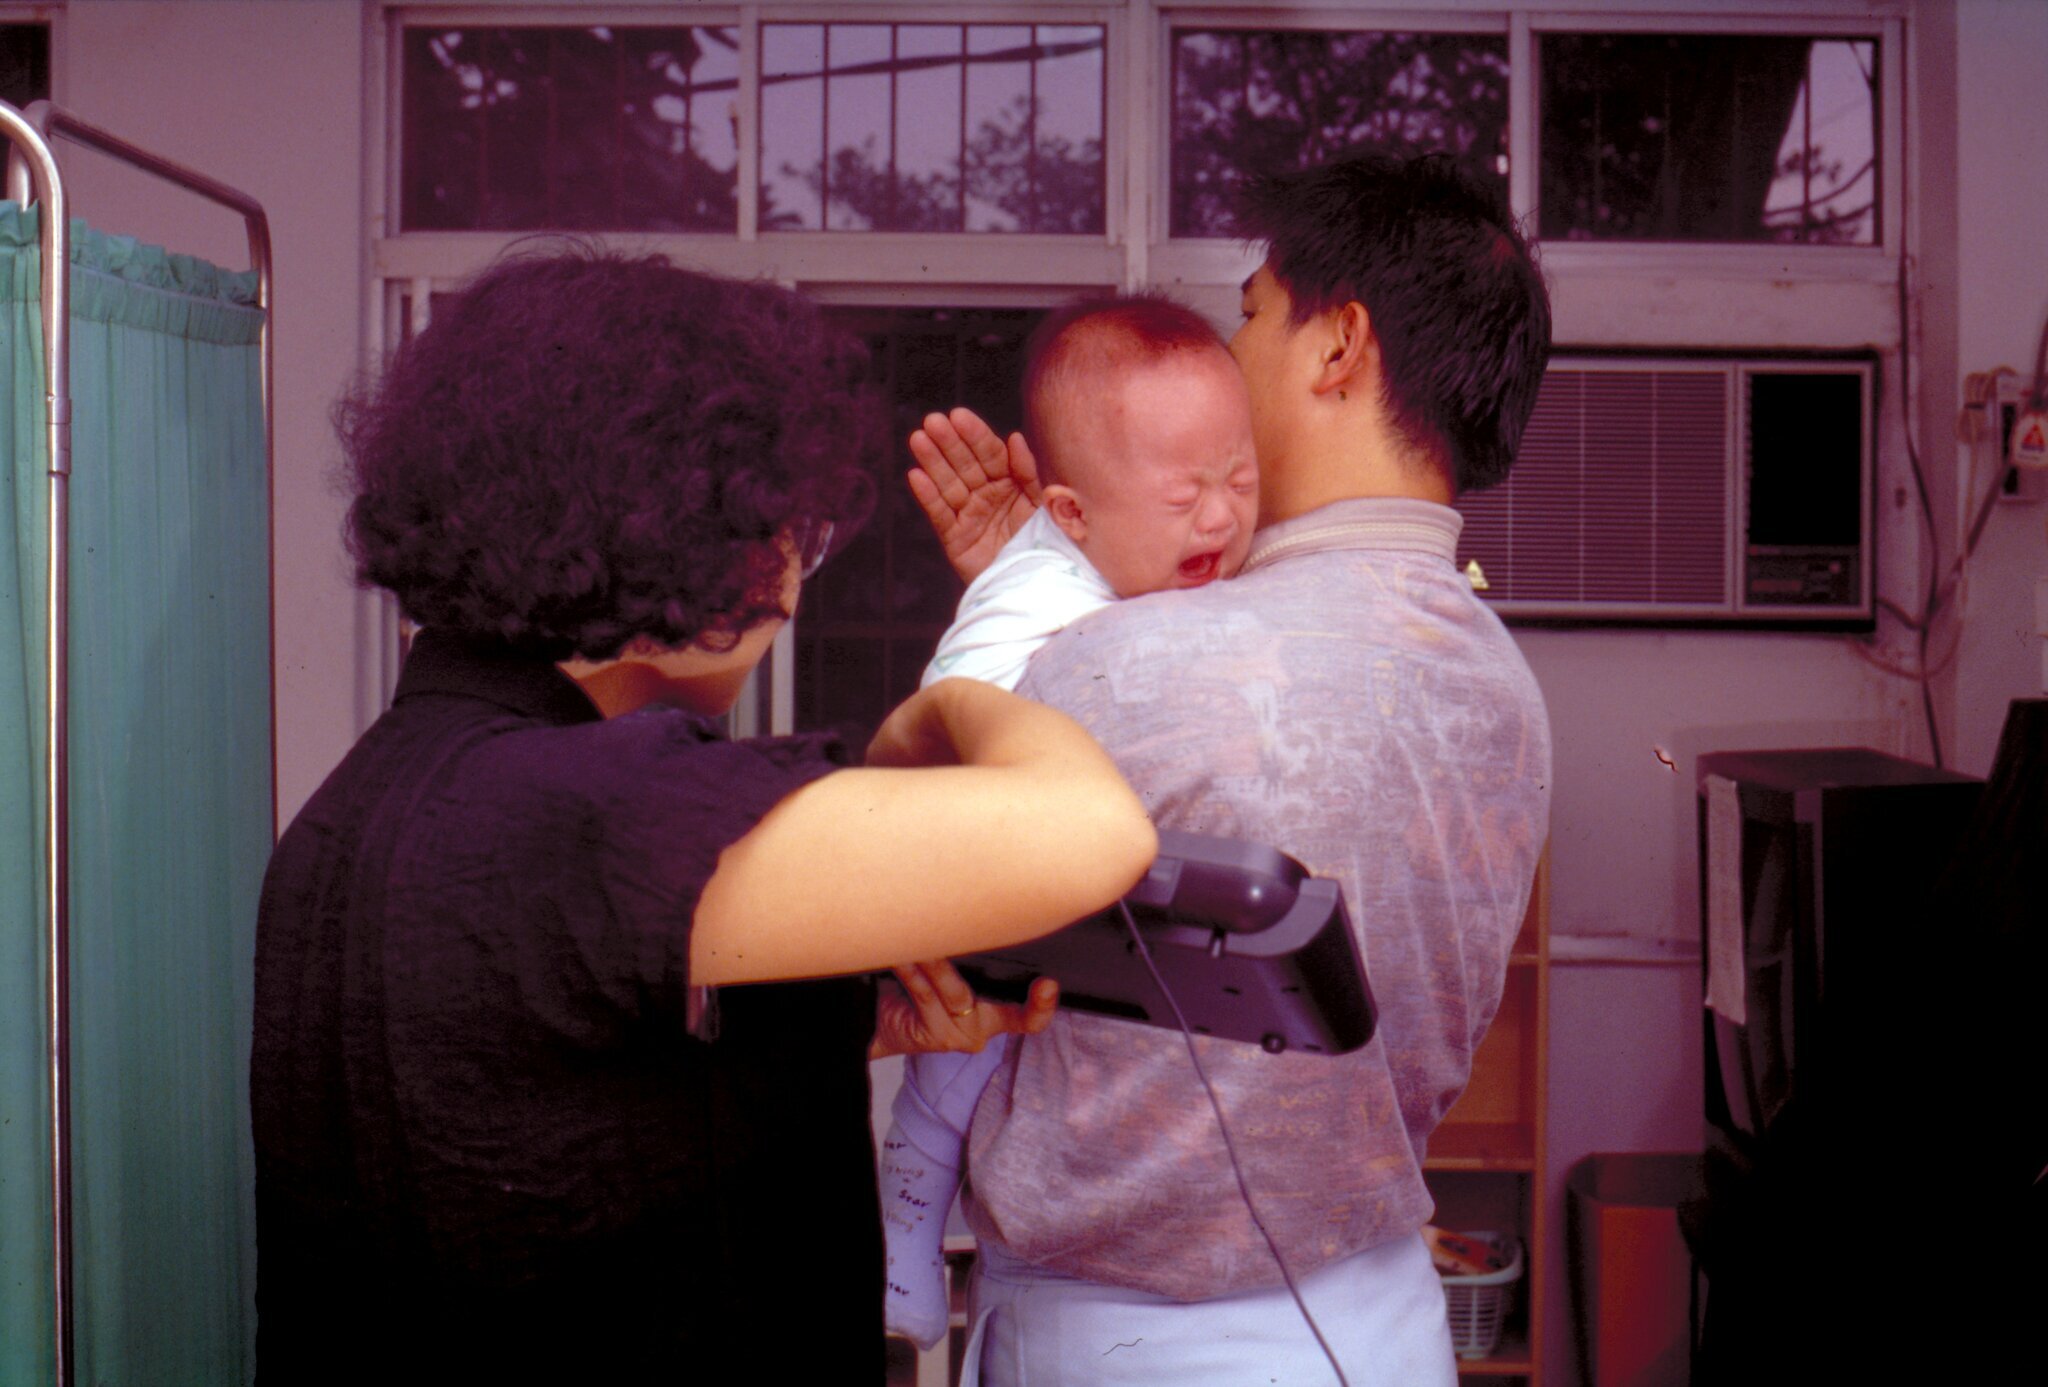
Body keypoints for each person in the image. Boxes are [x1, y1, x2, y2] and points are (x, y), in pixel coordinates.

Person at [248, 250, 1157, 1384]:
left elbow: (540, 1080)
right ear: (686, 536)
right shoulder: (597, 802)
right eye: (790, 533)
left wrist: (863, 1022)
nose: (793, 580)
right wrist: (976, 665)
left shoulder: (368, 803)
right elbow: (1093, 829)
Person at [908, 153, 1554, 1385]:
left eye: (1251, 312)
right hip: (1378, 1319)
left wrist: (1025, 616)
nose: (1229, 347)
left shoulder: (1127, 663)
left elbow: (924, 914)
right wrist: (1056, 581)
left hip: (1130, 1337)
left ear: (1336, 345)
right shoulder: (1504, 688)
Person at [880, 295, 1257, 1348]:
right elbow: (955, 714)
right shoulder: (1032, 594)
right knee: (962, 1046)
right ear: (1071, 515)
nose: (1220, 521)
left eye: (1240, 480)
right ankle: (907, 1202)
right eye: (1183, 494)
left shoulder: (1165, 569)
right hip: (988, 874)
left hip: (1099, 897)